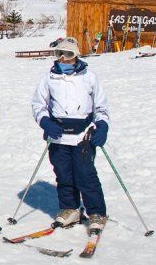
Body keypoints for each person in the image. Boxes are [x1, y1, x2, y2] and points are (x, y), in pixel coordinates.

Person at [31, 37, 109, 231]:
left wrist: (102, 126)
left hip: (83, 135)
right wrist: (45, 122)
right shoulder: (49, 77)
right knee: (63, 174)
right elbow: (38, 104)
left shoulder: (89, 76)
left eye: (68, 54)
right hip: (58, 135)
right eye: (59, 54)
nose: (64, 58)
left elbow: (101, 106)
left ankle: (97, 212)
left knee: (86, 175)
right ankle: (70, 209)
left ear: (76, 55)